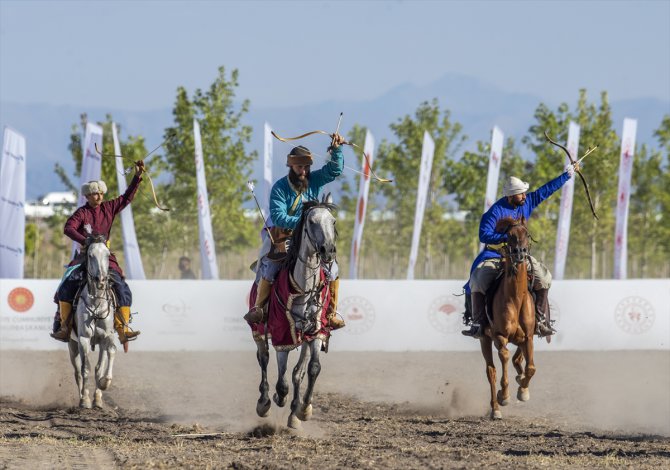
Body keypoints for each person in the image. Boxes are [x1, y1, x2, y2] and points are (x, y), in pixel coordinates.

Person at [461, 162, 580, 339]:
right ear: (510, 196)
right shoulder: (495, 211)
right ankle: (477, 323)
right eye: (520, 193)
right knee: (477, 280)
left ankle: (540, 321)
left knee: (544, 277)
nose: (525, 195)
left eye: (524, 192)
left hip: (521, 255)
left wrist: (567, 175)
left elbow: (545, 190)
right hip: (495, 254)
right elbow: (483, 235)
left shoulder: (527, 202)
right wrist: (505, 238)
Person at [244, 134, 347, 329]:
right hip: (282, 233)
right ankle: (259, 308)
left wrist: (337, 150)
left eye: (307, 167)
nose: (304, 171)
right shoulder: (280, 188)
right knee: (270, 266)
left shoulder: (314, 179)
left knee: (332, 267)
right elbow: (279, 216)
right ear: (291, 166)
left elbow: (334, 170)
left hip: (309, 233)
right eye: (300, 167)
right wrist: (303, 222)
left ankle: (332, 313)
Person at [50, 160, 145, 345]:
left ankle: (123, 328)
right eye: (95, 193)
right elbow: (68, 228)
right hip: (84, 256)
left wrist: (137, 176)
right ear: (87, 195)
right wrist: (85, 241)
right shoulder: (81, 213)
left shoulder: (109, 207)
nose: (99, 196)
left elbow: (126, 198)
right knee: (66, 285)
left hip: (105, 256)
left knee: (122, 288)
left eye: (101, 192)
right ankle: (64, 326)